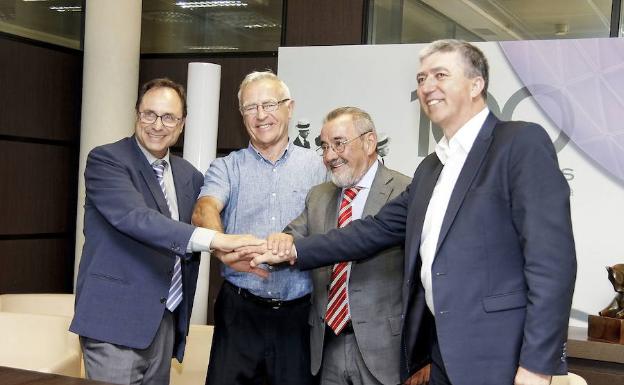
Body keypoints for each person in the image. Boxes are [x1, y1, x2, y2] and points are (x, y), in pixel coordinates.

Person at [250, 40, 577, 385]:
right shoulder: (431, 169)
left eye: (440, 75)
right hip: (442, 357)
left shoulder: (518, 143)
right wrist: (292, 249)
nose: (427, 87)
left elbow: (552, 262)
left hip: (501, 357)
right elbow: (371, 231)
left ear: (476, 83)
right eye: (421, 79)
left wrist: (537, 366)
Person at [70, 78, 262, 385]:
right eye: (150, 114)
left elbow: (200, 227)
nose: (158, 125)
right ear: (137, 114)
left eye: (169, 117)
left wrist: (229, 252)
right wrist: (217, 240)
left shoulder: (190, 176)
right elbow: (137, 219)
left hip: (165, 321)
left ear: (182, 123)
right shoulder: (107, 160)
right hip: (113, 326)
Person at [192, 71, 326, 385]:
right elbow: (204, 208)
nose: (261, 115)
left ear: (289, 107)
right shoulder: (226, 166)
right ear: (241, 116)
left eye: (269, 104)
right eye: (251, 108)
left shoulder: (318, 168)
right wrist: (222, 245)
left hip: (299, 316)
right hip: (240, 311)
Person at [284, 107, 422, 385]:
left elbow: (422, 276)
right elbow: (292, 238)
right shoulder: (319, 195)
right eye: (324, 146)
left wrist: (424, 356)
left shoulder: (405, 190)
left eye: (338, 144)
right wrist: (273, 243)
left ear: (369, 142)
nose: (329, 156)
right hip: (328, 344)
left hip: (384, 351)